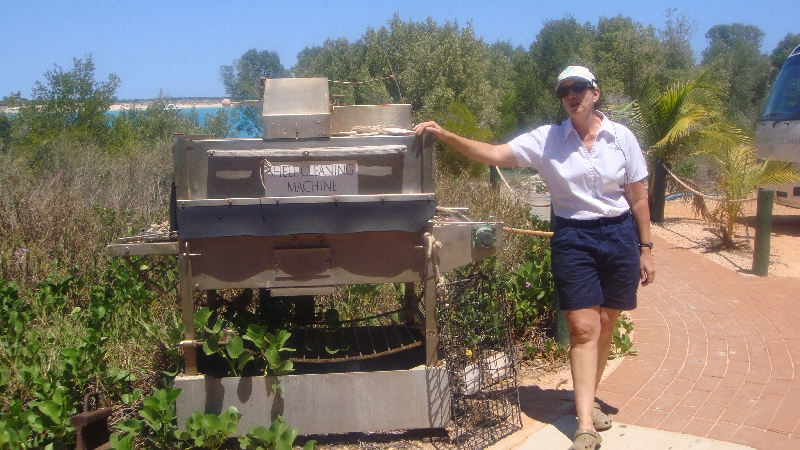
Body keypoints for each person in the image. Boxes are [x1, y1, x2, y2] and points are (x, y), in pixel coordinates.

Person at [413, 65, 655, 450]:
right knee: (582, 329)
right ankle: (586, 424)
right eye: (564, 91)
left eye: (578, 88)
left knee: (607, 324)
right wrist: (444, 134)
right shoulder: (548, 140)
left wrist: (646, 248)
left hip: (620, 234)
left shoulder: (621, 137)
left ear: (595, 93)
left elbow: (639, 196)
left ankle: (587, 400)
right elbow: (493, 153)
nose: (571, 96)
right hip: (574, 236)